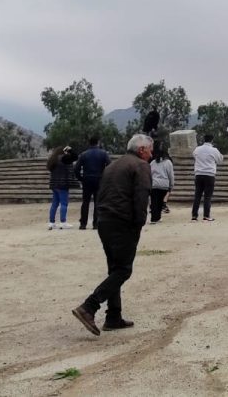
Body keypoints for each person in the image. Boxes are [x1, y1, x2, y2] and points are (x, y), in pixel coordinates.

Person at [72, 134, 153, 335]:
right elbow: (141, 197)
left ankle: (113, 317)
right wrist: (138, 224)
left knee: (114, 269)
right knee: (123, 270)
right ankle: (89, 306)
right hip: (122, 223)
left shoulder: (113, 166)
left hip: (104, 221)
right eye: (150, 150)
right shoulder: (140, 166)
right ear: (142, 149)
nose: (151, 154)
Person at [74, 136, 111, 230]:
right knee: (97, 202)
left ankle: (83, 224)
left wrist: (81, 178)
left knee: (85, 202)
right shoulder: (103, 154)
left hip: (87, 180)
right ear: (98, 142)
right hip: (99, 180)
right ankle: (96, 223)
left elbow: (76, 168)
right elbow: (110, 166)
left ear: (89, 143)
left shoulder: (84, 154)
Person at [192, 134, 224, 222]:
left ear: (204, 140)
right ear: (212, 141)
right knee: (207, 197)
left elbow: (194, 156)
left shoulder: (197, 149)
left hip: (198, 174)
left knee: (197, 195)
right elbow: (220, 160)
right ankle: (206, 216)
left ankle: (194, 216)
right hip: (209, 174)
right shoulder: (214, 150)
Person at [47, 146, 77, 230]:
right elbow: (75, 157)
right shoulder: (64, 159)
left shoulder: (52, 160)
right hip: (63, 184)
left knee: (54, 204)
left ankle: (51, 223)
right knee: (64, 203)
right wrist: (70, 150)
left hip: (54, 184)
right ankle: (63, 222)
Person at [149, 144, 175, 224]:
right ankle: (158, 217)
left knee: (154, 202)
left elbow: (149, 173)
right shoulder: (168, 163)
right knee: (160, 201)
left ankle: (153, 218)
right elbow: (171, 175)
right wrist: (171, 185)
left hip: (153, 184)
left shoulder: (153, 162)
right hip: (164, 185)